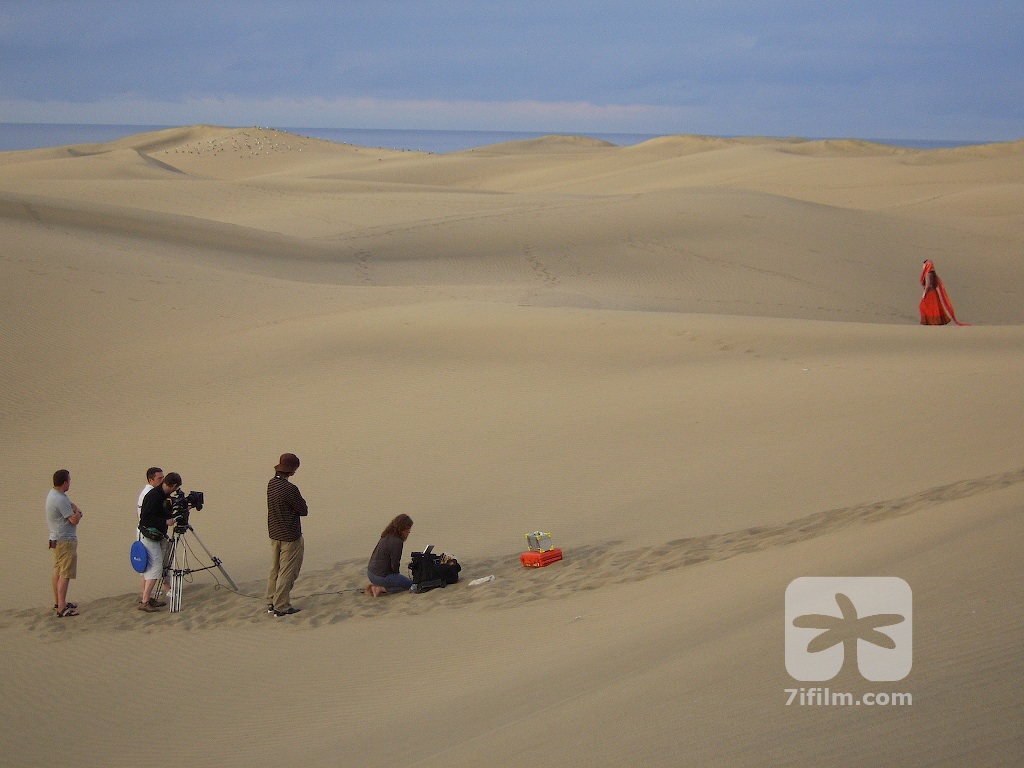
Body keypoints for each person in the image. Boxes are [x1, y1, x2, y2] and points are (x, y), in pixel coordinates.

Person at [265, 453, 308, 617]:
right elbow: (303, 510)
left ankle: (271, 601)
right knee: (288, 572)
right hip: (290, 535)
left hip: (274, 533)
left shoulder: (271, 483)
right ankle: (281, 606)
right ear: (291, 471)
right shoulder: (290, 489)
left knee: (275, 569)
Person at [137, 472, 181, 612]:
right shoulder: (153, 495)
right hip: (150, 536)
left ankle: (147, 598)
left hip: (158, 535)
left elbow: (163, 512)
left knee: (157, 567)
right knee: (156, 569)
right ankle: (145, 601)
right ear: (173, 485)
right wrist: (165, 522)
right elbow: (146, 518)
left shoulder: (163, 495)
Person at [46, 469, 83, 617]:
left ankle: (59, 603)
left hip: (56, 539)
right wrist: (78, 511)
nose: (70, 483)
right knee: (65, 573)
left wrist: (74, 510)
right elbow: (74, 519)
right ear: (65, 482)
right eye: (69, 480)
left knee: (58, 571)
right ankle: (62, 607)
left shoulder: (54, 494)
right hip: (64, 540)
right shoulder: (60, 499)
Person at [366, 514, 414, 596]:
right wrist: (397, 577)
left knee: (401, 581)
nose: (409, 532)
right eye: (407, 530)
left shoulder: (387, 534)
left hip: (371, 573)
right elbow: (395, 565)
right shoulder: (397, 542)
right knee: (410, 585)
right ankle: (380, 588)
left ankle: (377, 586)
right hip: (381, 576)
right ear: (402, 529)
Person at [919, 260, 968, 326]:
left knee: (923, 306)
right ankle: (933, 321)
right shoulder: (933, 273)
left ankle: (931, 321)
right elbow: (936, 283)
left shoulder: (928, 273)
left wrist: (925, 293)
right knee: (934, 307)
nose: (923, 266)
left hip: (930, 293)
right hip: (934, 292)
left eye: (924, 265)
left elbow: (928, 284)